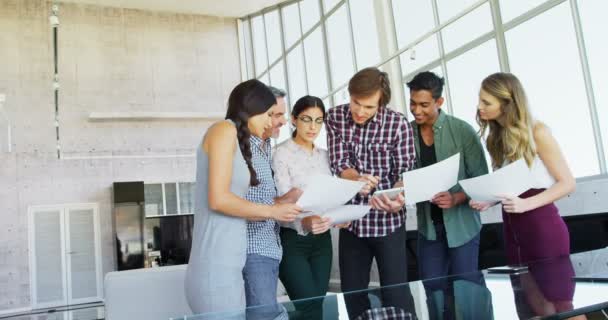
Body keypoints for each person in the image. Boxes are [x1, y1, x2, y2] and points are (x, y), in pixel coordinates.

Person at [184, 79, 301, 316]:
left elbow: (239, 200)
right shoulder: (223, 129)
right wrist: (273, 211)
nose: (271, 122)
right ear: (252, 108)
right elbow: (218, 199)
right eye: (268, 114)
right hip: (214, 262)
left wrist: (280, 204)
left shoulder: (239, 143)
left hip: (232, 260)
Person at [325, 67, 416, 319]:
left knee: (396, 293)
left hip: (389, 222)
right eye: (356, 103)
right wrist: (357, 179)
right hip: (353, 223)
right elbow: (340, 163)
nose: (360, 111)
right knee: (353, 293)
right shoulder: (335, 117)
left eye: (368, 107)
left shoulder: (397, 124)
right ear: (350, 95)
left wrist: (399, 198)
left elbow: (405, 172)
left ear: (381, 103)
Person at [470, 72, 575, 267]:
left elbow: (568, 183)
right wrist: (490, 200)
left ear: (506, 104)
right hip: (512, 229)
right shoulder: (497, 138)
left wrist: (525, 204)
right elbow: (512, 185)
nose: (479, 107)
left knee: (552, 297)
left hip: (542, 227)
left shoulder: (538, 132)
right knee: (523, 296)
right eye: (480, 100)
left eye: (487, 103)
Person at [406, 71, 488, 289]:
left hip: (462, 227)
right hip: (428, 229)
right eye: (412, 103)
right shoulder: (406, 133)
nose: (416, 110)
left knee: (467, 289)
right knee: (433, 291)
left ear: (439, 101)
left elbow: (481, 179)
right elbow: (403, 175)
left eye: (423, 104)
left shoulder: (462, 131)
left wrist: (456, 198)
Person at [272, 95, 342, 319]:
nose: (313, 127)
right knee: (308, 307)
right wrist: (303, 221)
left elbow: (332, 197)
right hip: (292, 241)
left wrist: (340, 214)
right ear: (293, 119)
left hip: (322, 242)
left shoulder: (326, 157)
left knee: (316, 307)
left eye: (319, 121)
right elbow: (280, 203)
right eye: (306, 119)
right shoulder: (281, 154)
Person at [242, 85, 302, 320]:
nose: (282, 121)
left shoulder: (265, 147)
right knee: (265, 316)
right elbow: (234, 204)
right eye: (275, 114)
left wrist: (286, 200)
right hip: (253, 250)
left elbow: (261, 201)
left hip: (271, 247)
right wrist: (275, 209)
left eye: (282, 114)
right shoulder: (241, 148)